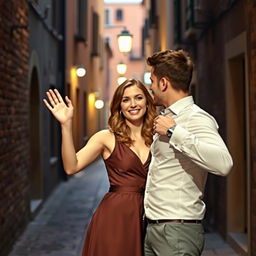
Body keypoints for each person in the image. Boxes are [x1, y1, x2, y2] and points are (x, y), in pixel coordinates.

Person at [43, 79, 156, 256]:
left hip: (152, 215)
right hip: (115, 217)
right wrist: (66, 126)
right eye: (126, 100)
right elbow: (71, 167)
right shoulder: (106, 137)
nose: (133, 104)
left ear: (147, 102)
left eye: (138, 98)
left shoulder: (158, 137)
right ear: (119, 106)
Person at [143, 49, 233, 256]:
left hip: (177, 233)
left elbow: (223, 163)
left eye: (153, 81)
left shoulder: (196, 118)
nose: (151, 87)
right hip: (155, 229)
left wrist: (174, 131)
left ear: (164, 83)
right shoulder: (165, 117)